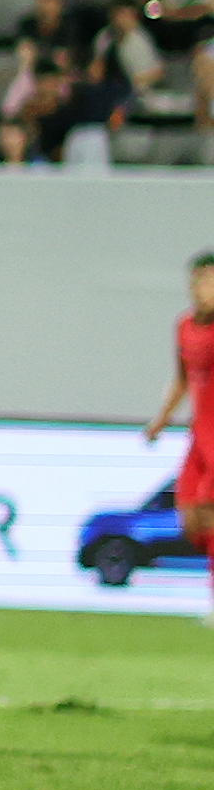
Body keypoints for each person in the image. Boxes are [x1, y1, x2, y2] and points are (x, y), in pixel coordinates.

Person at [144, 251, 214, 626]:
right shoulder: (185, 326)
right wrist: (161, 420)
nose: (201, 289)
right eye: (197, 280)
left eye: (209, 281)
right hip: (197, 437)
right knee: (190, 519)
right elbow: (183, 378)